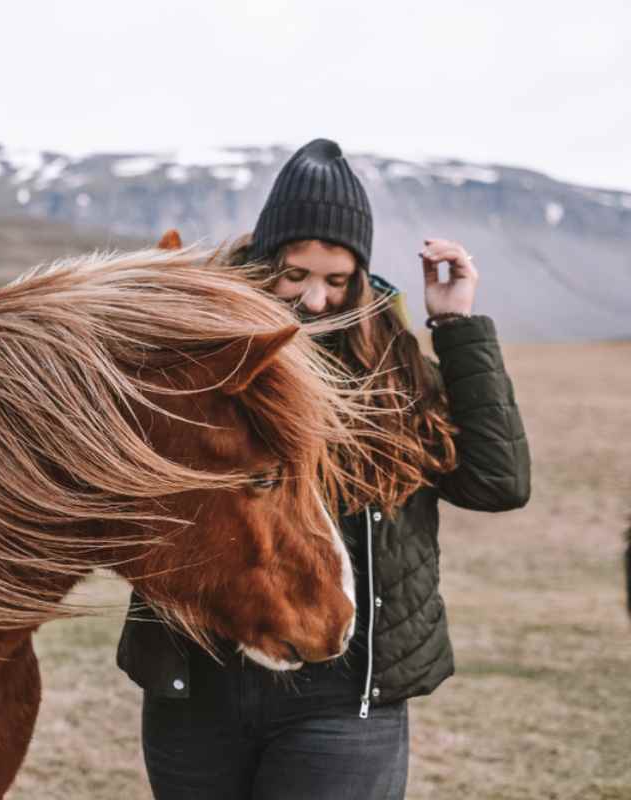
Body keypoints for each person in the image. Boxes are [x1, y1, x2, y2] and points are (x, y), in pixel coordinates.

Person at [116, 138, 531, 799]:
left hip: (342, 699)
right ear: (261, 263)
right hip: (197, 690)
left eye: (336, 281)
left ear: (360, 277)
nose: (314, 300)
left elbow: (498, 482)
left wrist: (456, 328)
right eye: (294, 275)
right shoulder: (201, 358)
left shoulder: (395, 375)